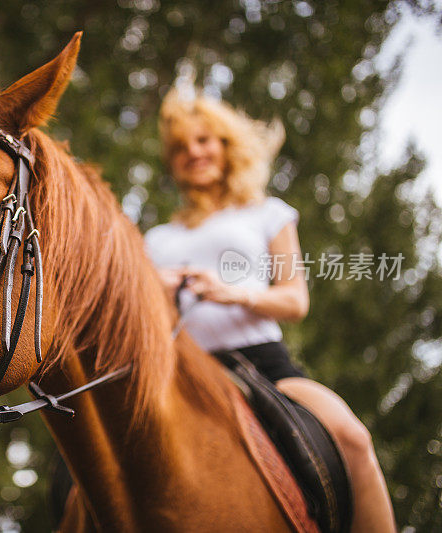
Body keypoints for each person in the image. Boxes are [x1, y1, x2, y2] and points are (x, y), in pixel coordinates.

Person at [145, 88, 395, 532]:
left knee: (353, 438)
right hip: (182, 376)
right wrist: (155, 289)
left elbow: (295, 299)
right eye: (181, 147)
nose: (193, 152)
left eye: (204, 140)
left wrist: (233, 293)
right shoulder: (156, 239)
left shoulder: (267, 214)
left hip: (264, 365)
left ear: (227, 147)